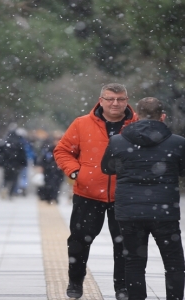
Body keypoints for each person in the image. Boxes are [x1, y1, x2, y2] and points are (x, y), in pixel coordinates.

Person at [101, 97, 185, 300]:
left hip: (129, 211)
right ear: (163, 117)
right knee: (174, 262)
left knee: (134, 261)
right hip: (165, 212)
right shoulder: (177, 142)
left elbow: (106, 168)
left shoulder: (118, 141)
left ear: (136, 117)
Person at [54, 83, 138, 300]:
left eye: (120, 99)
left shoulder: (137, 125)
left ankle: (122, 287)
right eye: (110, 99)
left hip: (125, 196)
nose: (115, 103)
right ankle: (75, 281)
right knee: (79, 241)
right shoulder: (82, 124)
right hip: (88, 194)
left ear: (127, 100)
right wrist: (75, 173)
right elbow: (63, 150)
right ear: (100, 100)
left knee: (125, 244)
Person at [0, 130, 27, 199]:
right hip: (16, 165)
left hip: (6, 165)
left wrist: (1, 163)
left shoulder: (5, 143)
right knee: (14, 179)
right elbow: (22, 155)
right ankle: (11, 193)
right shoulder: (19, 144)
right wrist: (23, 163)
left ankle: (4, 189)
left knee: (5, 179)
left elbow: (1, 155)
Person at [36, 135, 64, 203]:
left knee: (57, 185)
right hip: (48, 170)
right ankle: (48, 198)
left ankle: (54, 198)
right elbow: (43, 159)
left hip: (58, 171)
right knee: (49, 185)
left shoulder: (63, 150)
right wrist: (41, 166)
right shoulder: (49, 149)